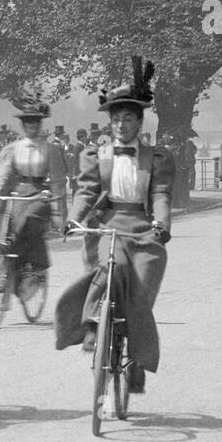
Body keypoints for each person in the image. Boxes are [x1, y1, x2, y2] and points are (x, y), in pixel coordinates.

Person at [57, 57, 174, 396]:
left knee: (142, 288)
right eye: (116, 120)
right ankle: (94, 329)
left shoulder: (157, 158)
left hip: (143, 228)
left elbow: (161, 195)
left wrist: (162, 223)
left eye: (128, 119)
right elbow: (86, 192)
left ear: (139, 122)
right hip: (107, 225)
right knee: (109, 270)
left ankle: (136, 361)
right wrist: (75, 218)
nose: (121, 126)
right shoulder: (98, 155)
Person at [0, 98, 58, 299]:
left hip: (40, 193)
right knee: (7, 222)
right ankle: (6, 266)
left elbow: (57, 178)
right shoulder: (13, 149)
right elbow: (1, 172)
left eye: (35, 121)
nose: (31, 125)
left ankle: (33, 268)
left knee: (29, 219)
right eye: (27, 121)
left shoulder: (49, 149)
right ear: (22, 124)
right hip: (19, 192)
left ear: (40, 124)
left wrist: (55, 201)